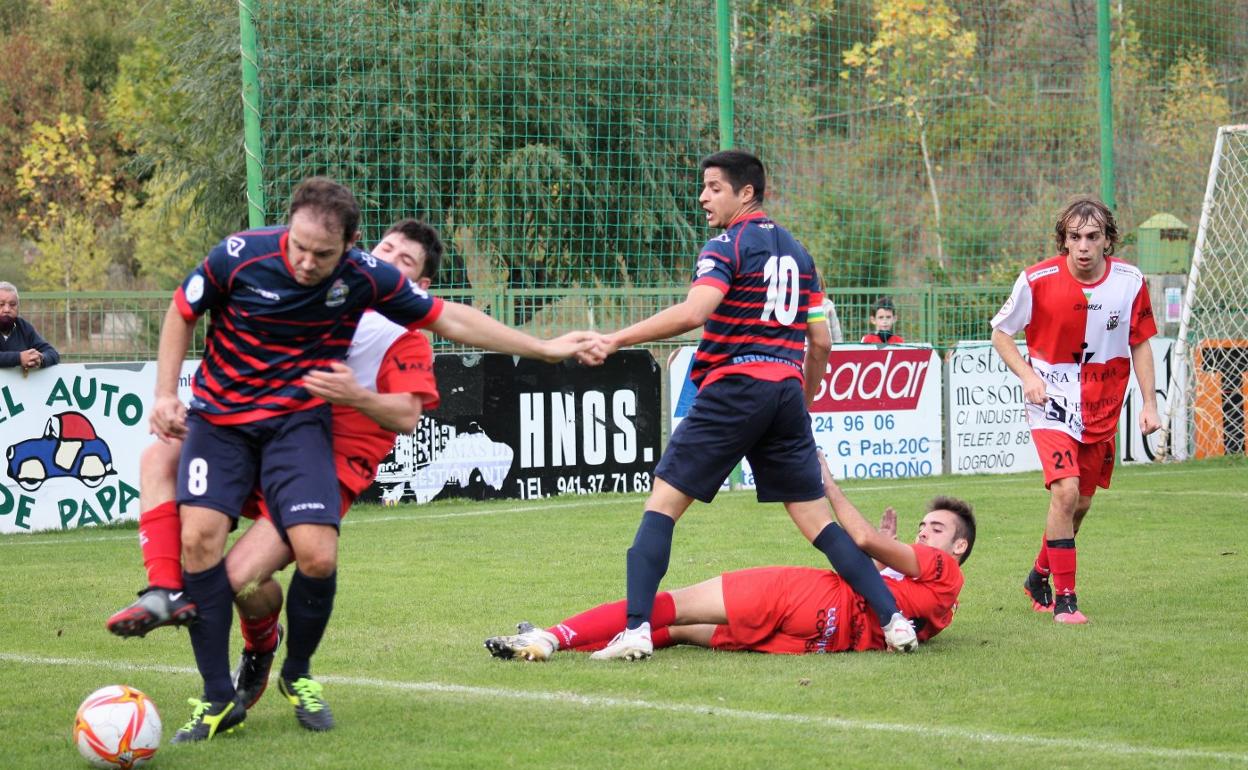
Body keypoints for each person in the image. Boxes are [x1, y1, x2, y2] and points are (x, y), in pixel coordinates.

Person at [152, 180, 598, 744]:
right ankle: (196, 614)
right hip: (247, 433)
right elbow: (188, 308)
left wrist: (544, 347)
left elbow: (441, 348)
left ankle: (286, 668)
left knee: (260, 570)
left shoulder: (390, 316)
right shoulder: (268, 266)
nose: (309, 263)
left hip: (321, 454)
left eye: (402, 261)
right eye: (386, 251)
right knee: (189, 515)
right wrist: (169, 394)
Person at [586, 150, 917, 661]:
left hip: (734, 386)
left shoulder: (726, 244)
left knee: (663, 507)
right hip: (784, 389)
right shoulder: (802, 256)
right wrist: (800, 401)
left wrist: (614, 339)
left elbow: (696, 312)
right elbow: (822, 344)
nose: (702, 197)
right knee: (817, 521)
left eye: (714, 187)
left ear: (746, 194)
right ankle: (894, 620)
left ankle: (634, 630)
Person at [107, 219, 445, 707]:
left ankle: (264, 648)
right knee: (158, 454)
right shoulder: (333, 295)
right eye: (385, 249)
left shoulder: (405, 336)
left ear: (420, 285)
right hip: (261, 442)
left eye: (404, 261)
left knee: (236, 581)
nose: (388, 262)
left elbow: (409, 414)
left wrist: (356, 394)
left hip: (324, 470)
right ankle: (163, 587)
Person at [485, 452, 974, 660]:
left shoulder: (944, 569)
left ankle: (552, 637)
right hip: (815, 641)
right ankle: (560, 641)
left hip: (796, 597)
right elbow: (873, 593)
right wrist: (880, 564)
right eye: (922, 526)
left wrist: (824, 481)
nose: (922, 533)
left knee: (664, 606)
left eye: (935, 529)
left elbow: (863, 537)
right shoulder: (941, 606)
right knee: (674, 632)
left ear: (959, 547)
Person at [990, 196, 1159, 625]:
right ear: (1063, 241)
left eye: (1092, 236)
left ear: (1107, 240)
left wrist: (1150, 402)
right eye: (1074, 237)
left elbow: (1139, 342)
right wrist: (1029, 377)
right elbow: (1001, 333)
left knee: (1080, 504)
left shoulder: (1130, 281)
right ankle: (1065, 599)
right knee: (1064, 492)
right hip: (1051, 403)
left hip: (1102, 406)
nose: (1082, 246)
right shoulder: (1036, 280)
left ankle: (1038, 575)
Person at [0, 281, 60, 372]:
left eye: (12, 305)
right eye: (1, 304)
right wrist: (19, 358)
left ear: (18, 307)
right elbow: (21, 358)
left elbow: (52, 353)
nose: (7, 309)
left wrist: (40, 359)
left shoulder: (24, 327)